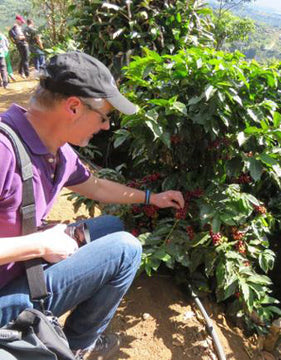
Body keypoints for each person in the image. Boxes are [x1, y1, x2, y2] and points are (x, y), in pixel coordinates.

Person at [0, 51, 185, 360]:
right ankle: (66, 347)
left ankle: (71, 342)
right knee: (126, 248)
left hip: (19, 271)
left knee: (112, 227)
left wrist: (153, 198)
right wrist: (38, 244)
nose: (106, 127)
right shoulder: (4, 151)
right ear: (73, 106)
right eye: (104, 117)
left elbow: (96, 185)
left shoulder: (55, 149)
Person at [8, 14, 30, 79]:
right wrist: (24, 37)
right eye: (21, 21)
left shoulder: (18, 28)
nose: (22, 23)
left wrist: (23, 37)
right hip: (21, 44)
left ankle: (21, 71)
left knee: (24, 58)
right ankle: (27, 73)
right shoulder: (15, 28)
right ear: (17, 20)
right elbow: (17, 37)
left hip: (22, 44)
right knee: (25, 58)